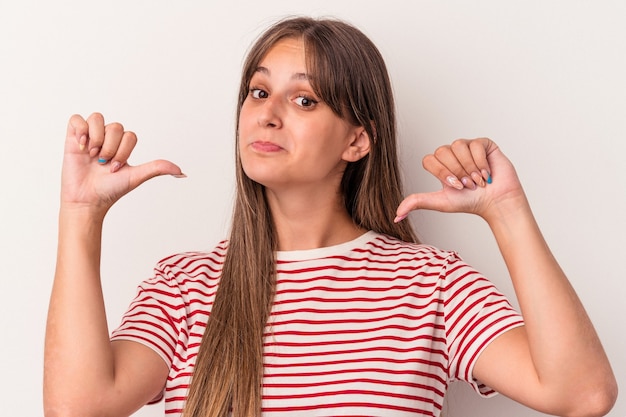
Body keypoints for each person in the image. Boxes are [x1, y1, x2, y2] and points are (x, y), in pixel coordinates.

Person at [44, 16, 617, 417]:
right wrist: (80, 215)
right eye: (257, 92)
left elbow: (582, 395)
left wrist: (507, 212)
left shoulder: (430, 283)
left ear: (357, 140)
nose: (267, 116)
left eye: (304, 100)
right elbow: (79, 408)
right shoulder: (184, 288)